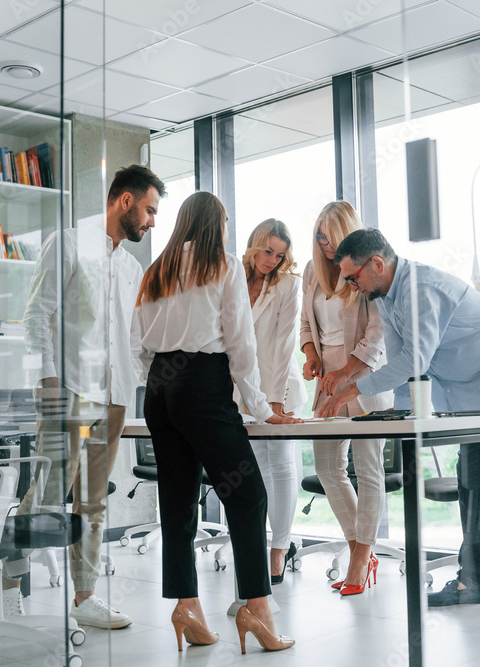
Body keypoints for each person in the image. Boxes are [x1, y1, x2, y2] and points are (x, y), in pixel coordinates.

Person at [320, 228, 480, 611]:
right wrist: (395, 411)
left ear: (376, 264)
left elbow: (416, 359)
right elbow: (403, 364)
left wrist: (353, 390)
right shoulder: (386, 297)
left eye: (353, 276)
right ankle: (474, 583)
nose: (351, 285)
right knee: (474, 483)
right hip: (474, 390)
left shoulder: (420, 288)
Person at [2, 165, 166, 629]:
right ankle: (10, 583)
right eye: (150, 210)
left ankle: (86, 597)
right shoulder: (68, 243)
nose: (152, 221)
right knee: (51, 490)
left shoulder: (132, 267)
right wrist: (48, 383)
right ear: (125, 201)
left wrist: (148, 381)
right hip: (72, 393)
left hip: (113, 399)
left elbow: (134, 338)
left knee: (93, 500)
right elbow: (36, 317)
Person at [136, 191, 299, 654]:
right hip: (204, 385)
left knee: (178, 498)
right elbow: (240, 345)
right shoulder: (222, 265)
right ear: (217, 223)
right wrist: (261, 407)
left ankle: (187, 604)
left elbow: (136, 342)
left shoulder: (157, 270)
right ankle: (257, 609)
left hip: (160, 387)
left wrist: (157, 379)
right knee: (248, 495)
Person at [300, 201, 394, 596]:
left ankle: (360, 558)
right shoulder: (312, 272)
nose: (324, 245)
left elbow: (377, 333)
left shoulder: (366, 272)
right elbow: (305, 322)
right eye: (319, 237)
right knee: (327, 467)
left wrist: (346, 372)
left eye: (330, 237)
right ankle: (359, 547)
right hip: (328, 377)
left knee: (368, 469)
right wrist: (310, 355)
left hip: (365, 376)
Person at [236, 218, 308, 584]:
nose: (272, 260)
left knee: (280, 465)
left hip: (280, 388)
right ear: (254, 244)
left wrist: (275, 400)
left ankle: (279, 549)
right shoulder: (233, 278)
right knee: (258, 468)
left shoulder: (288, 285)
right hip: (242, 393)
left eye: (279, 255)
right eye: (267, 251)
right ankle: (271, 540)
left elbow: (283, 344)